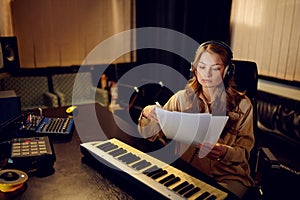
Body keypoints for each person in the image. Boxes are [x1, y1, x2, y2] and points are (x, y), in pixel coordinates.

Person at [137, 40, 255, 199]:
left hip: (229, 176)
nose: (206, 74)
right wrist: (147, 112)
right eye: (202, 67)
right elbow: (150, 134)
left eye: (215, 68)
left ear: (227, 72)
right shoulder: (181, 99)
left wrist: (224, 151)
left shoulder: (243, 106)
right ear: (195, 68)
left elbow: (244, 153)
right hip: (190, 173)